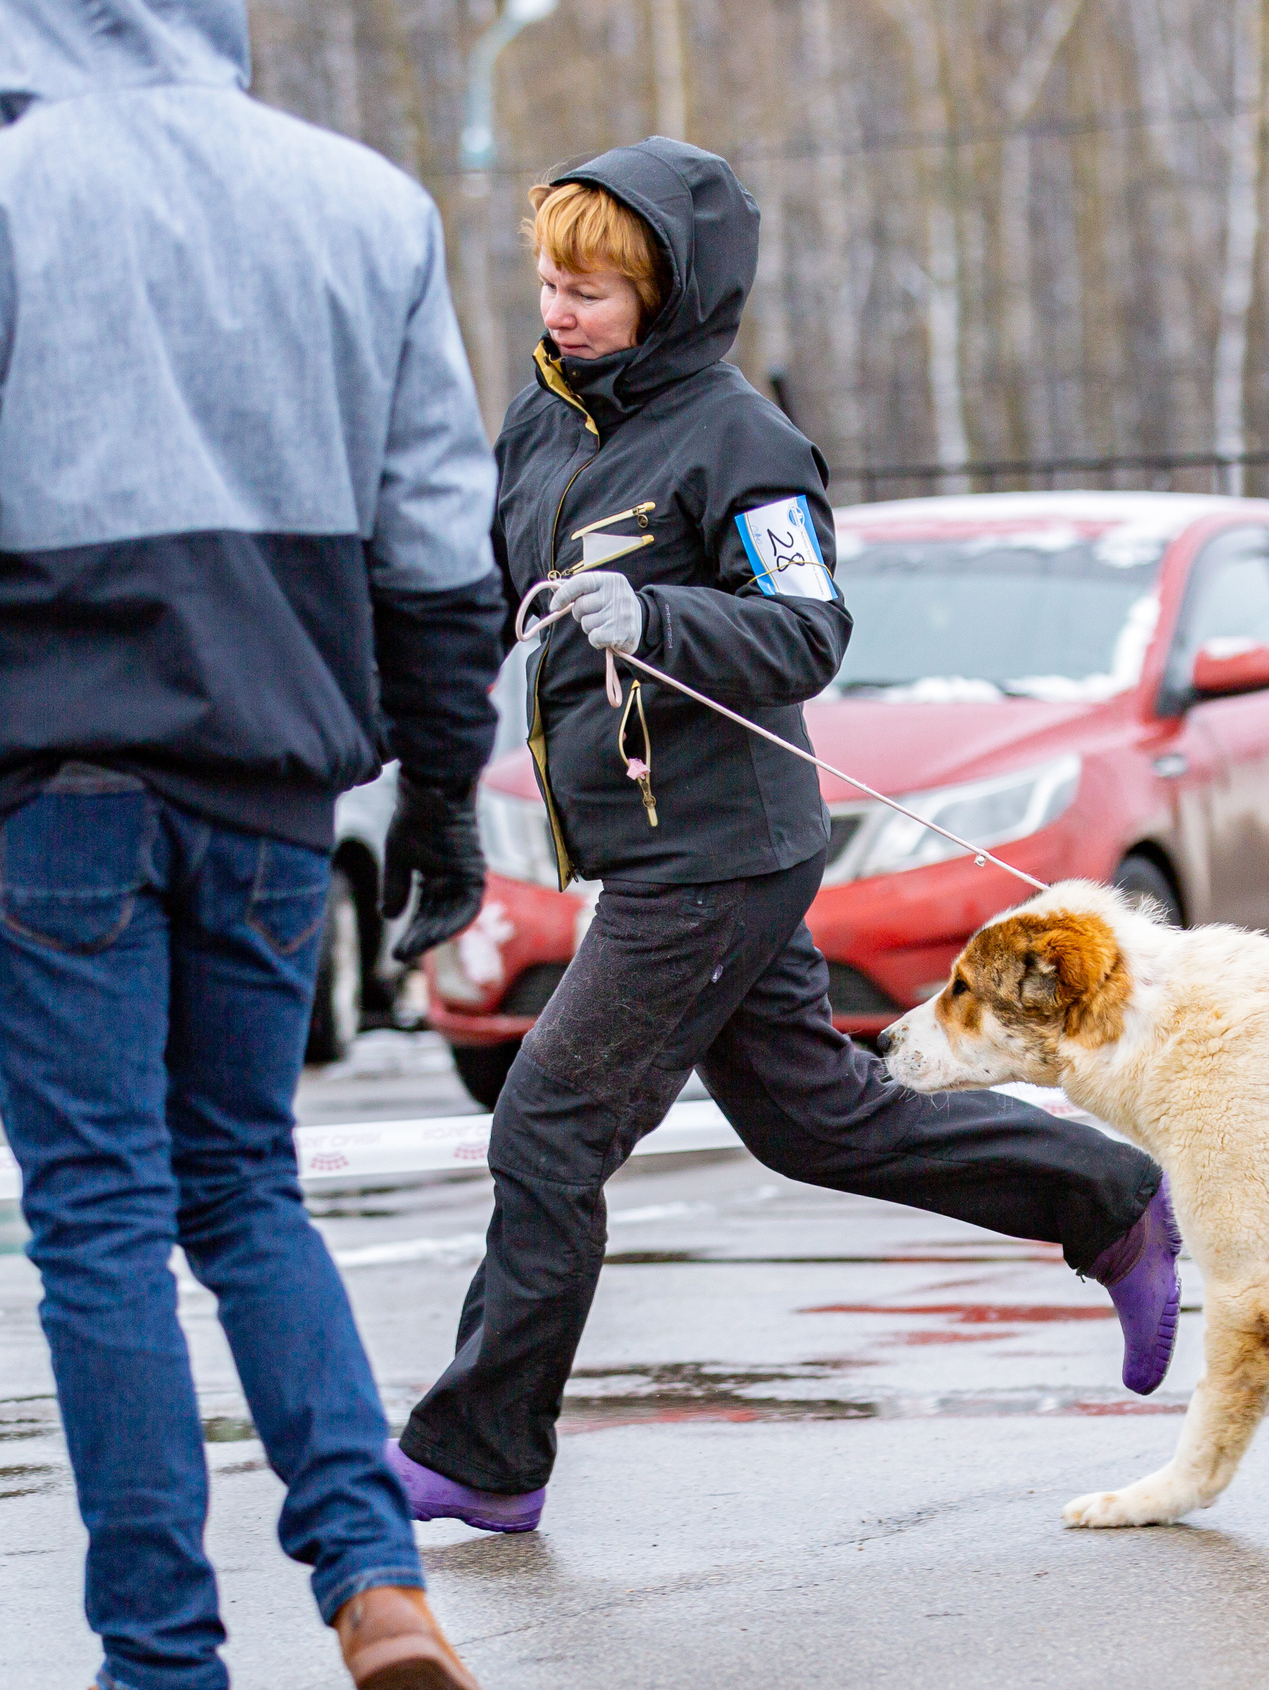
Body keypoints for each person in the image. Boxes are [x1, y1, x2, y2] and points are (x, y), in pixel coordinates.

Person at [385, 139, 1181, 1533]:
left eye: (593, 288)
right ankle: (1110, 1195)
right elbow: (486, 597)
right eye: (550, 282)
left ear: (671, 293)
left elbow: (809, 633)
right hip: (649, 846)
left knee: (548, 1126)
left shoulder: (741, 440)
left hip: (718, 850)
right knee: (819, 1118)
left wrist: (663, 616)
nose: (560, 310)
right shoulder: (542, 424)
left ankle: (486, 1449)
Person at [0, 0, 494, 1686]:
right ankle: (376, 1584)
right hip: (278, 785)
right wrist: (442, 787)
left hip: (52, 786)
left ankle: (161, 1658)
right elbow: (437, 538)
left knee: (96, 1218)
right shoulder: (364, 203)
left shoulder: (12, 186)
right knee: (244, 1186)